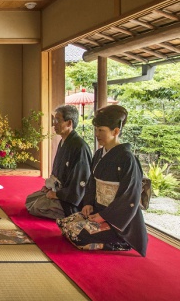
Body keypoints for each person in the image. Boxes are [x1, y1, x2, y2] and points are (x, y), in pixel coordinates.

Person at [56, 105, 148, 256]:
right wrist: (88, 203)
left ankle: (120, 242)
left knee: (76, 233)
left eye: (101, 130)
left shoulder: (127, 159)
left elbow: (129, 197)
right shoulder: (99, 154)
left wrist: (104, 216)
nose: (97, 134)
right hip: (99, 210)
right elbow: (91, 183)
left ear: (116, 131)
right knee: (65, 224)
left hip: (118, 220)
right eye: (96, 130)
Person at [25, 105, 92, 219]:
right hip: (58, 190)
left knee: (36, 207)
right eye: (54, 120)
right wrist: (50, 188)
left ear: (69, 123)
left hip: (69, 201)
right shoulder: (64, 142)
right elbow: (57, 172)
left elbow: (79, 183)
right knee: (30, 199)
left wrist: (57, 195)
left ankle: (70, 214)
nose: (54, 124)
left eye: (57, 120)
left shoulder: (80, 147)